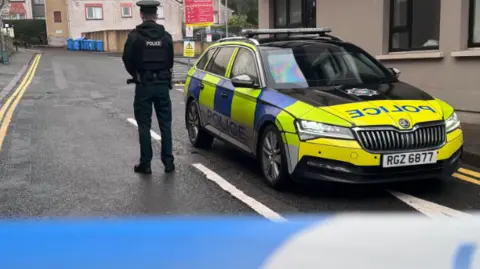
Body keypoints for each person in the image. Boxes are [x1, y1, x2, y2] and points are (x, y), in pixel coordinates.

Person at [122, 0, 175, 174]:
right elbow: (170, 60)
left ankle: (146, 164)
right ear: (156, 15)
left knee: (144, 124)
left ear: (142, 15)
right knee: (165, 124)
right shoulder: (166, 36)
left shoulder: (135, 36)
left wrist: (136, 74)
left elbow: (127, 59)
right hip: (162, 86)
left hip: (144, 85)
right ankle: (169, 163)